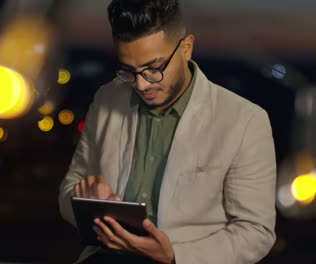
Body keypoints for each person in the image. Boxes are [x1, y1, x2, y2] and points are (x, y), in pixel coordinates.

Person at [58, 0, 276, 263]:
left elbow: (256, 232)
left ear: (186, 48)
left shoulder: (244, 120)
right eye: (128, 70)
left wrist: (174, 255)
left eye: (154, 68)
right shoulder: (107, 99)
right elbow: (68, 190)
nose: (140, 83)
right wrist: (86, 200)